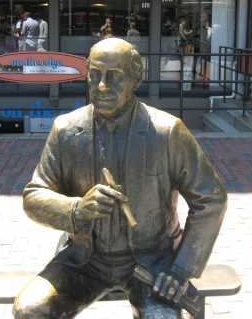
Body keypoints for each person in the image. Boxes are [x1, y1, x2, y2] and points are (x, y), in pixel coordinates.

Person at [13, 38, 227, 319]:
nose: (101, 87)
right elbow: (34, 196)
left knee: (162, 317)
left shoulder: (167, 132)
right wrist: (77, 210)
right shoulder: (65, 130)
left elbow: (211, 198)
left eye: (114, 77)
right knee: (29, 311)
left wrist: (181, 269)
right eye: (95, 76)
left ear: (135, 79)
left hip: (152, 262)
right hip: (83, 261)